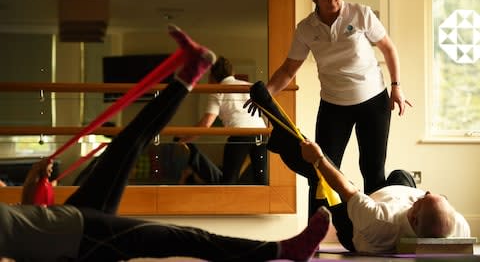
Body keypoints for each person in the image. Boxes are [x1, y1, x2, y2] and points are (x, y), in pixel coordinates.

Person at [1, 25, 331, 262]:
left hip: (66, 216)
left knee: (127, 140)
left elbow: (25, 223)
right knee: (186, 238)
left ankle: (191, 70)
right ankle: (281, 251)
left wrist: (31, 186)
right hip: (78, 239)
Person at [246, 0, 412, 217]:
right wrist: (264, 96)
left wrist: (396, 87)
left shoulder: (360, 14)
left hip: (373, 101)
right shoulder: (306, 29)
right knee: (320, 170)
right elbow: (288, 70)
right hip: (334, 105)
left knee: (372, 169)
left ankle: (377, 229)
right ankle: (315, 235)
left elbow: (389, 49)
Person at [249, 81, 470, 254]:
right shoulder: (457, 226)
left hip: (354, 227)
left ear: (413, 219)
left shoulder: (380, 221)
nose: (426, 192)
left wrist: (317, 159)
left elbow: (346, 188)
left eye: (421, 200)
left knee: (322, 173)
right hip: (388, 198)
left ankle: (275, 119)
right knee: (401, 175)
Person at [179, 56, 268, 185]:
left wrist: (185, 139)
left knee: (228, 182)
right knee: (261, 181)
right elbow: (266, 113)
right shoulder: (250, 86)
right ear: (232, 72)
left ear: (213, 75)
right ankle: (266, 204)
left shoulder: (218, 90)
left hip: (239, 135)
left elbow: (206, 123)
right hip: (261, 133)